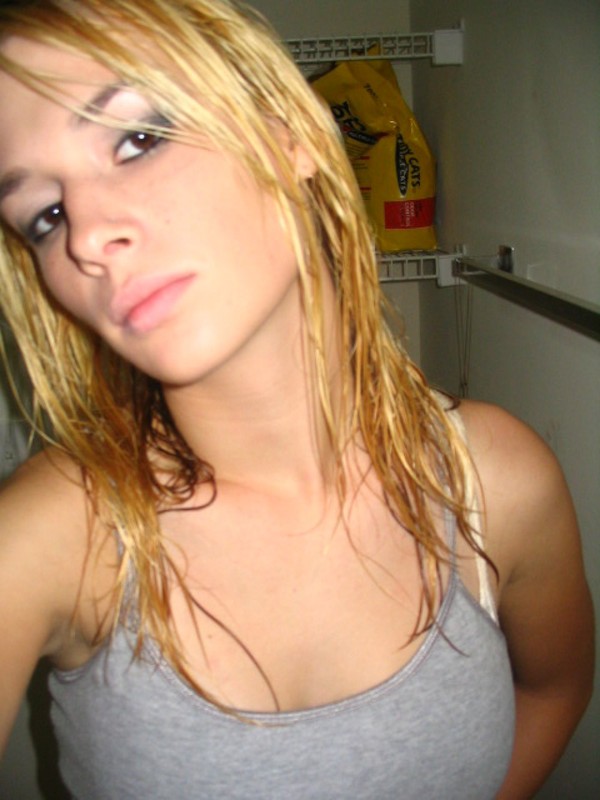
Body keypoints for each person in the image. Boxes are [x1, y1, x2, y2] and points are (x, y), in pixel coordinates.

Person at [0, 1, 593, 798]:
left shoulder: (497, 482)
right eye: (44, 215)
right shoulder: (53, 537)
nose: (86, 236)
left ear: (290, 136)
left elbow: (554, 688)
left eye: (138, 139)